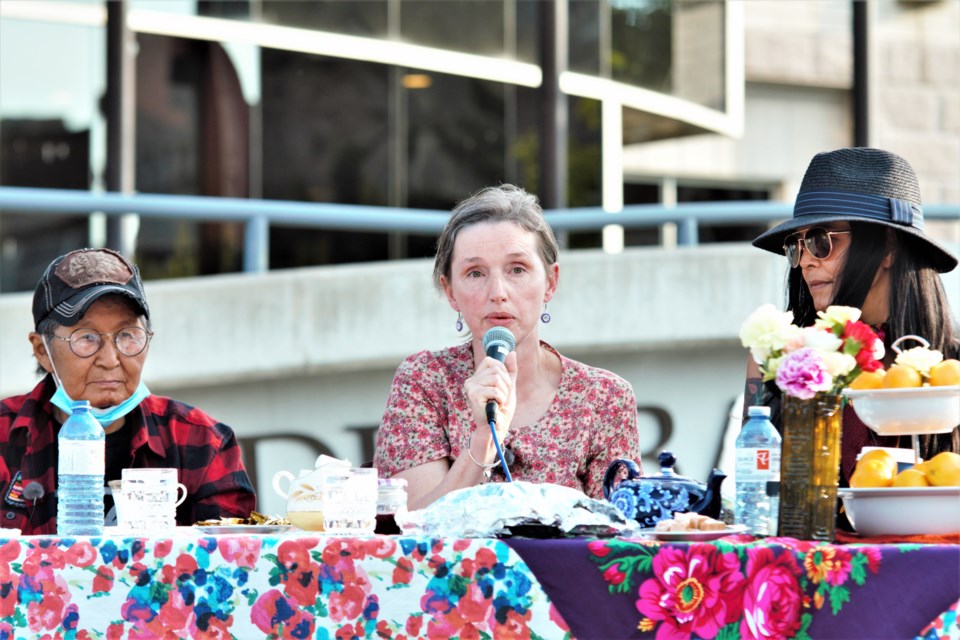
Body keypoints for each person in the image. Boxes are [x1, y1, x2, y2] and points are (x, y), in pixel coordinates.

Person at [373, 184, 642, 510]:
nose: (497, 292)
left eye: (517, 269)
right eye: (475, 273)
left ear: (551, 282)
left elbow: (617, 538)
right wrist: (485, 440)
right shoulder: (424, 381)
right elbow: (412, 527)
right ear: (450, 291)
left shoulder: (605, 397)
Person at [0, 248, 256, 534]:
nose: (110, 360)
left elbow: (234, 563)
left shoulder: (202, 442)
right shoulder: (3, 435)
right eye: (86, 338)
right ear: (41, 350)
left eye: (127, 336)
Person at [745, 147, 960, 485]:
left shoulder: (953, 367)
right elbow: (754, 482)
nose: (805, 261)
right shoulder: (778, 360)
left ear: (888, 246)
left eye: (820, 241)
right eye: (795, 246)